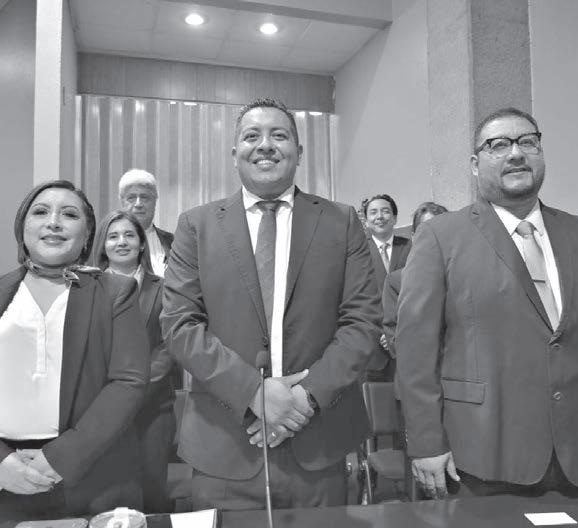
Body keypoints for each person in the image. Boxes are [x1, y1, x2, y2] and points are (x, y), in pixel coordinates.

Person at [396, 107, 578, 499]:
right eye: (498, 145)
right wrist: (426, 441)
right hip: (481, 454)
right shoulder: (441, 238)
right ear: (475, 164)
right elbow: (416, 351)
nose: (515, 153)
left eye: (528, 142)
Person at [161, 97, 381, 511]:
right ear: (235, 154)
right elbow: (179, 325)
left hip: (319, 444)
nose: (265, 145)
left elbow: (363, 321)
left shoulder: (342, 221)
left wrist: (305, 398)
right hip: (224, 446)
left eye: (279, 135)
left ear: (299, 151)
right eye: (252, 136)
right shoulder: (197, 226)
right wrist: (254, 393)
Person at [0, 180, 150, 520]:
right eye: (41, 212)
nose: (54, 222)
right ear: (23, 227)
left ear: (87, 234)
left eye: (70, 214)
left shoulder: (115, 293)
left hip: (89, 474)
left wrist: (61, 458)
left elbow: (128, 382)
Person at [92, 209, 176, 513]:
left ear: (142, 244)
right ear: (103, 245)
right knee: (106, 490)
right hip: (98, 409)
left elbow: (169, 346)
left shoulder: (164, 289)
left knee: (151, 490)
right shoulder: (86, 289)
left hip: (152, 407)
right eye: (113, 236)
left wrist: (131, 392)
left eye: (129, 235)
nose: (122, 242)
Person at [381, 201, 448, 362]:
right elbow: (394, 339)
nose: (436, 237)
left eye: (442, 231)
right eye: (428, 230)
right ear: (414, 236)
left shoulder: (464, 276)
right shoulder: (396, 282)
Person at [363, 194, 410, 380]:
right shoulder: (358, 251)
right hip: (371, 345)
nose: (380, 217)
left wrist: (394, 332)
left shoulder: (411, 247)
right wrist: (379, 333)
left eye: (385, 211)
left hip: (404, 341)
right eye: (373, 212)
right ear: (366, 221)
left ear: (395, 218)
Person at [118, 169, 174, 278]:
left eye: (144, 197)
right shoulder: (109, 243)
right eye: (131, 198)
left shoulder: (173, 243)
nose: (138, 204)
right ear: (122, 202)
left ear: (155, 201)